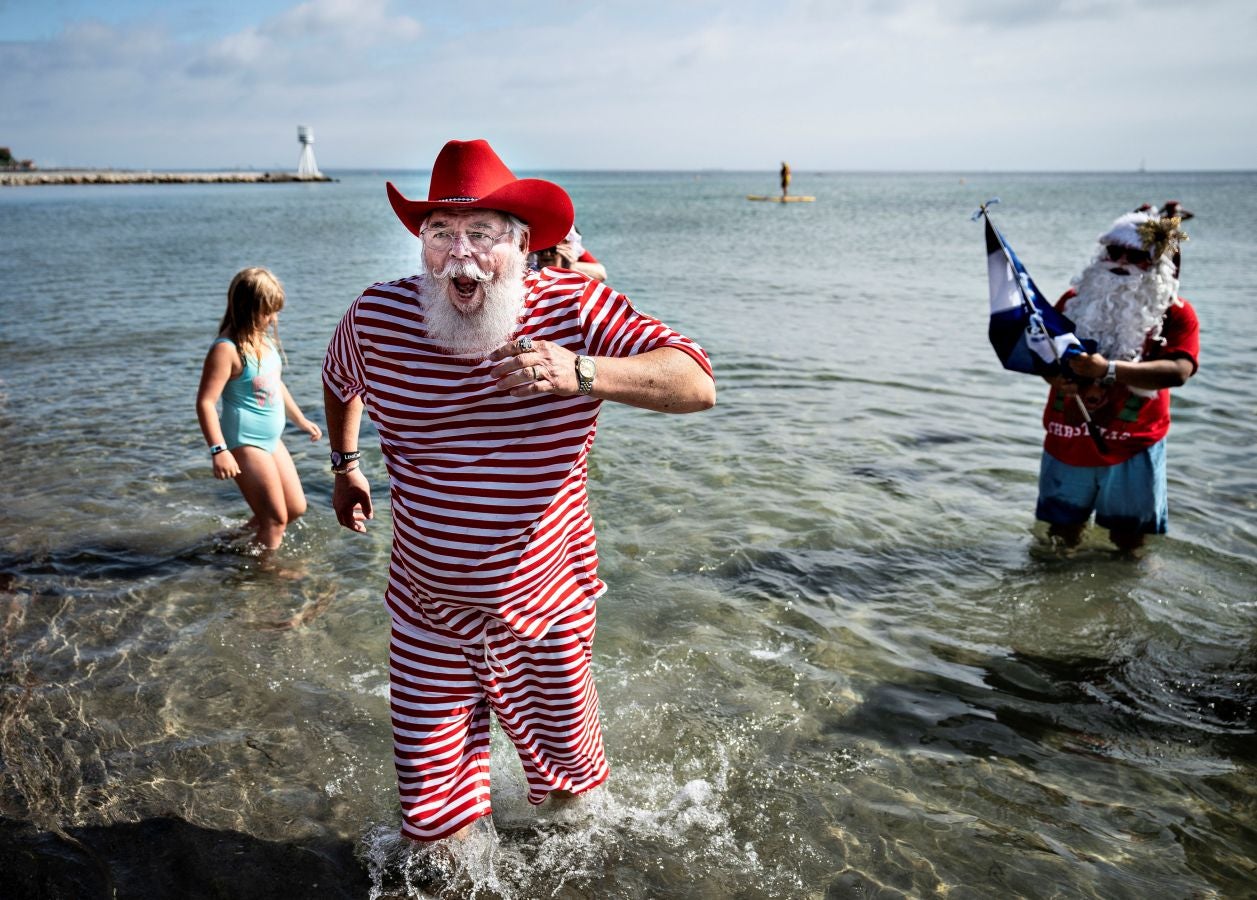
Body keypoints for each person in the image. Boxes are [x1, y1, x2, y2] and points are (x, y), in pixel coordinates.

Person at [322, 138, 715, 844]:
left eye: (481, 233)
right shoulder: (377, 317)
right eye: (439, 233)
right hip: (426, 608)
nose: (459, 254)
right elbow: (336, 378)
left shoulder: (575, 308)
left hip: (544, 609)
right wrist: (345, 463)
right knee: (431, 822)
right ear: (419, 244)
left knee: (572, 801)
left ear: (521, 244)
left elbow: (694, 382)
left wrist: (581, 373)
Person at [1036, 207, 1197, 552]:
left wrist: (1107, 369)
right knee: (1058, 537)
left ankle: (1119, 603)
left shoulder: (1175, 312)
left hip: (1133, 443)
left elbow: (1180, 371)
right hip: (1069, 437)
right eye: (1113, 251)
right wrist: (1054, 376)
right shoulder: (1072, 301)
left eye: (1136, 255)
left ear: (1155, 262)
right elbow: (1042, 349)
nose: (1121, 261)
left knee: (1128, 543)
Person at [196, 267, 323, 551]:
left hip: (271, 439)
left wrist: (300, 420)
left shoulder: (262, 340)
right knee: (276, 520)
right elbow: (205, 402)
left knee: (295, 508)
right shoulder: (226, 350)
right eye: (268, 312)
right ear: (248, 309)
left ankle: (230, 541)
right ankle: (265, 582)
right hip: (245, 441)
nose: (273, 318)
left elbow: (274, 384)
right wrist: (219, 450)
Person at [532, 224, 607, 281]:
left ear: (567, 243)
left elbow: (601, 274)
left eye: (552, 250)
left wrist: (571, 267)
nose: (547, 254)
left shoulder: (573, 249)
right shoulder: (529, 258)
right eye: (542, 250)